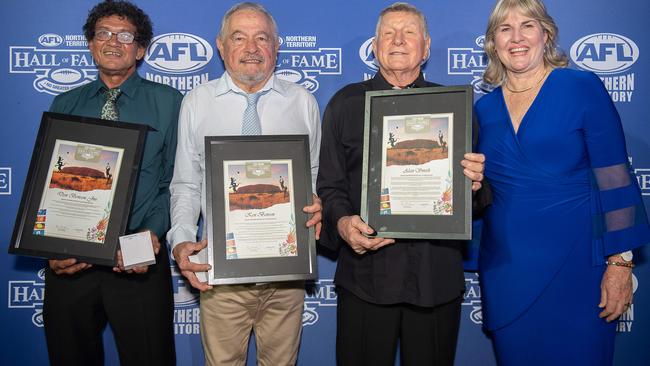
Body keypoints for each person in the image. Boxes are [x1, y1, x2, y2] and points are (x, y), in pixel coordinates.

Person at [475, 0, 650, 364]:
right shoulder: (482, 110)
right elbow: (479, 192)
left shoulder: (581, 87)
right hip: (507, 272)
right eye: (504, 29)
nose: (516, 37)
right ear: (493, 42)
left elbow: (615, 177)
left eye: (527, 25)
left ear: (546, 34)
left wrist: (620, 264)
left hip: (578, 268)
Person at [317, 3, 487, 365]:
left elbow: (481, 195)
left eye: (408, 32)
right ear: (375, 47)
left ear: (425, 48)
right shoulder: (345, 104)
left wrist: (474, 186)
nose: (397, 40)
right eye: (388, 34)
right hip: (366, 279)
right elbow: (329, 186)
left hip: (435, 281)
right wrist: (344, 223)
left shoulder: (454, 107)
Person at [167, 3, 321, 365]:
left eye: (261, 37)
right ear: (221, 46)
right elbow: (186, 184)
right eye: (239, 38)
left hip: (286, 275)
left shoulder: (303, 103)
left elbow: (313, 178)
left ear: (276, 46)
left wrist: (317, 205)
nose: (251, 48)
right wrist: (181, 239)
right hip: (221, 276)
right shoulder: (197, 102)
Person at [42, 1, 181, 365]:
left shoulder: (169, 103)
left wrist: (150, 236)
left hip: (137, 259)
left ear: (140, 49)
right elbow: (51, 185)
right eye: (103, 33)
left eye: (125, 35)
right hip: (72, 260)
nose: (112, 42)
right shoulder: (65, 103)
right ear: (90, 44)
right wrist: (50, 246)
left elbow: (175, 182)